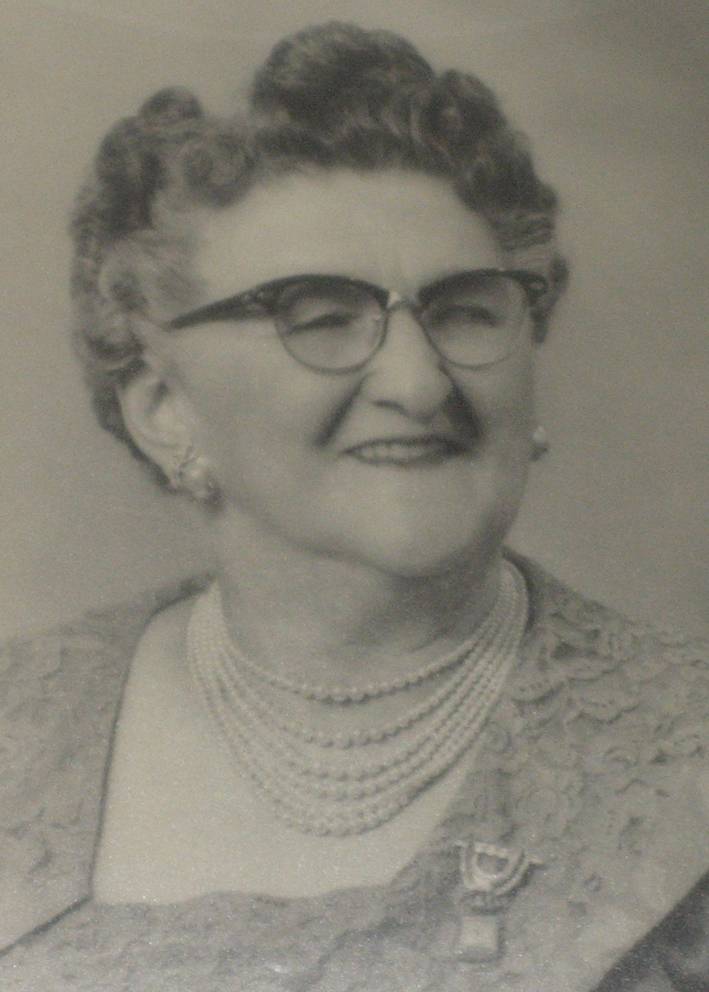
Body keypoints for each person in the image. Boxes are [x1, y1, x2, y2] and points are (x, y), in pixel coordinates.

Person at [0, 21, 706, 992]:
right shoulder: (17, 725)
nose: (418, 382)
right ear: (164, 408)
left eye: (465, 310)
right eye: (321, 318)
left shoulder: (685, 746)